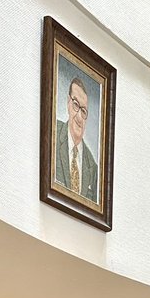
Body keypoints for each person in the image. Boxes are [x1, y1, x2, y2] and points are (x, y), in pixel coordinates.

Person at [55, 75, 99, 203]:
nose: (79, 117)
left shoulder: (92, 167)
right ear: (68, 102)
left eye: (84, 111)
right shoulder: (53, 133)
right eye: (75, 105)